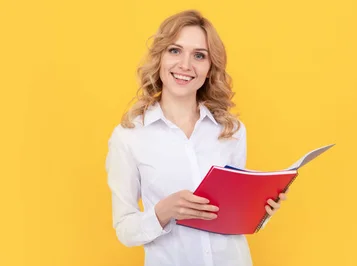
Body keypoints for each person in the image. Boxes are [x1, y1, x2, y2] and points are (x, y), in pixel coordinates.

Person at [105, 9, 286, 266]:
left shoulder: (231, 130)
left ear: (210, 68)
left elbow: (233, 216)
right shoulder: (129, 136)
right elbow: (125, 229)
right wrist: (162, 212)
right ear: (159, 58)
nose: (185, 65)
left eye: (199, 55)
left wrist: (260, 212)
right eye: (175, 51)